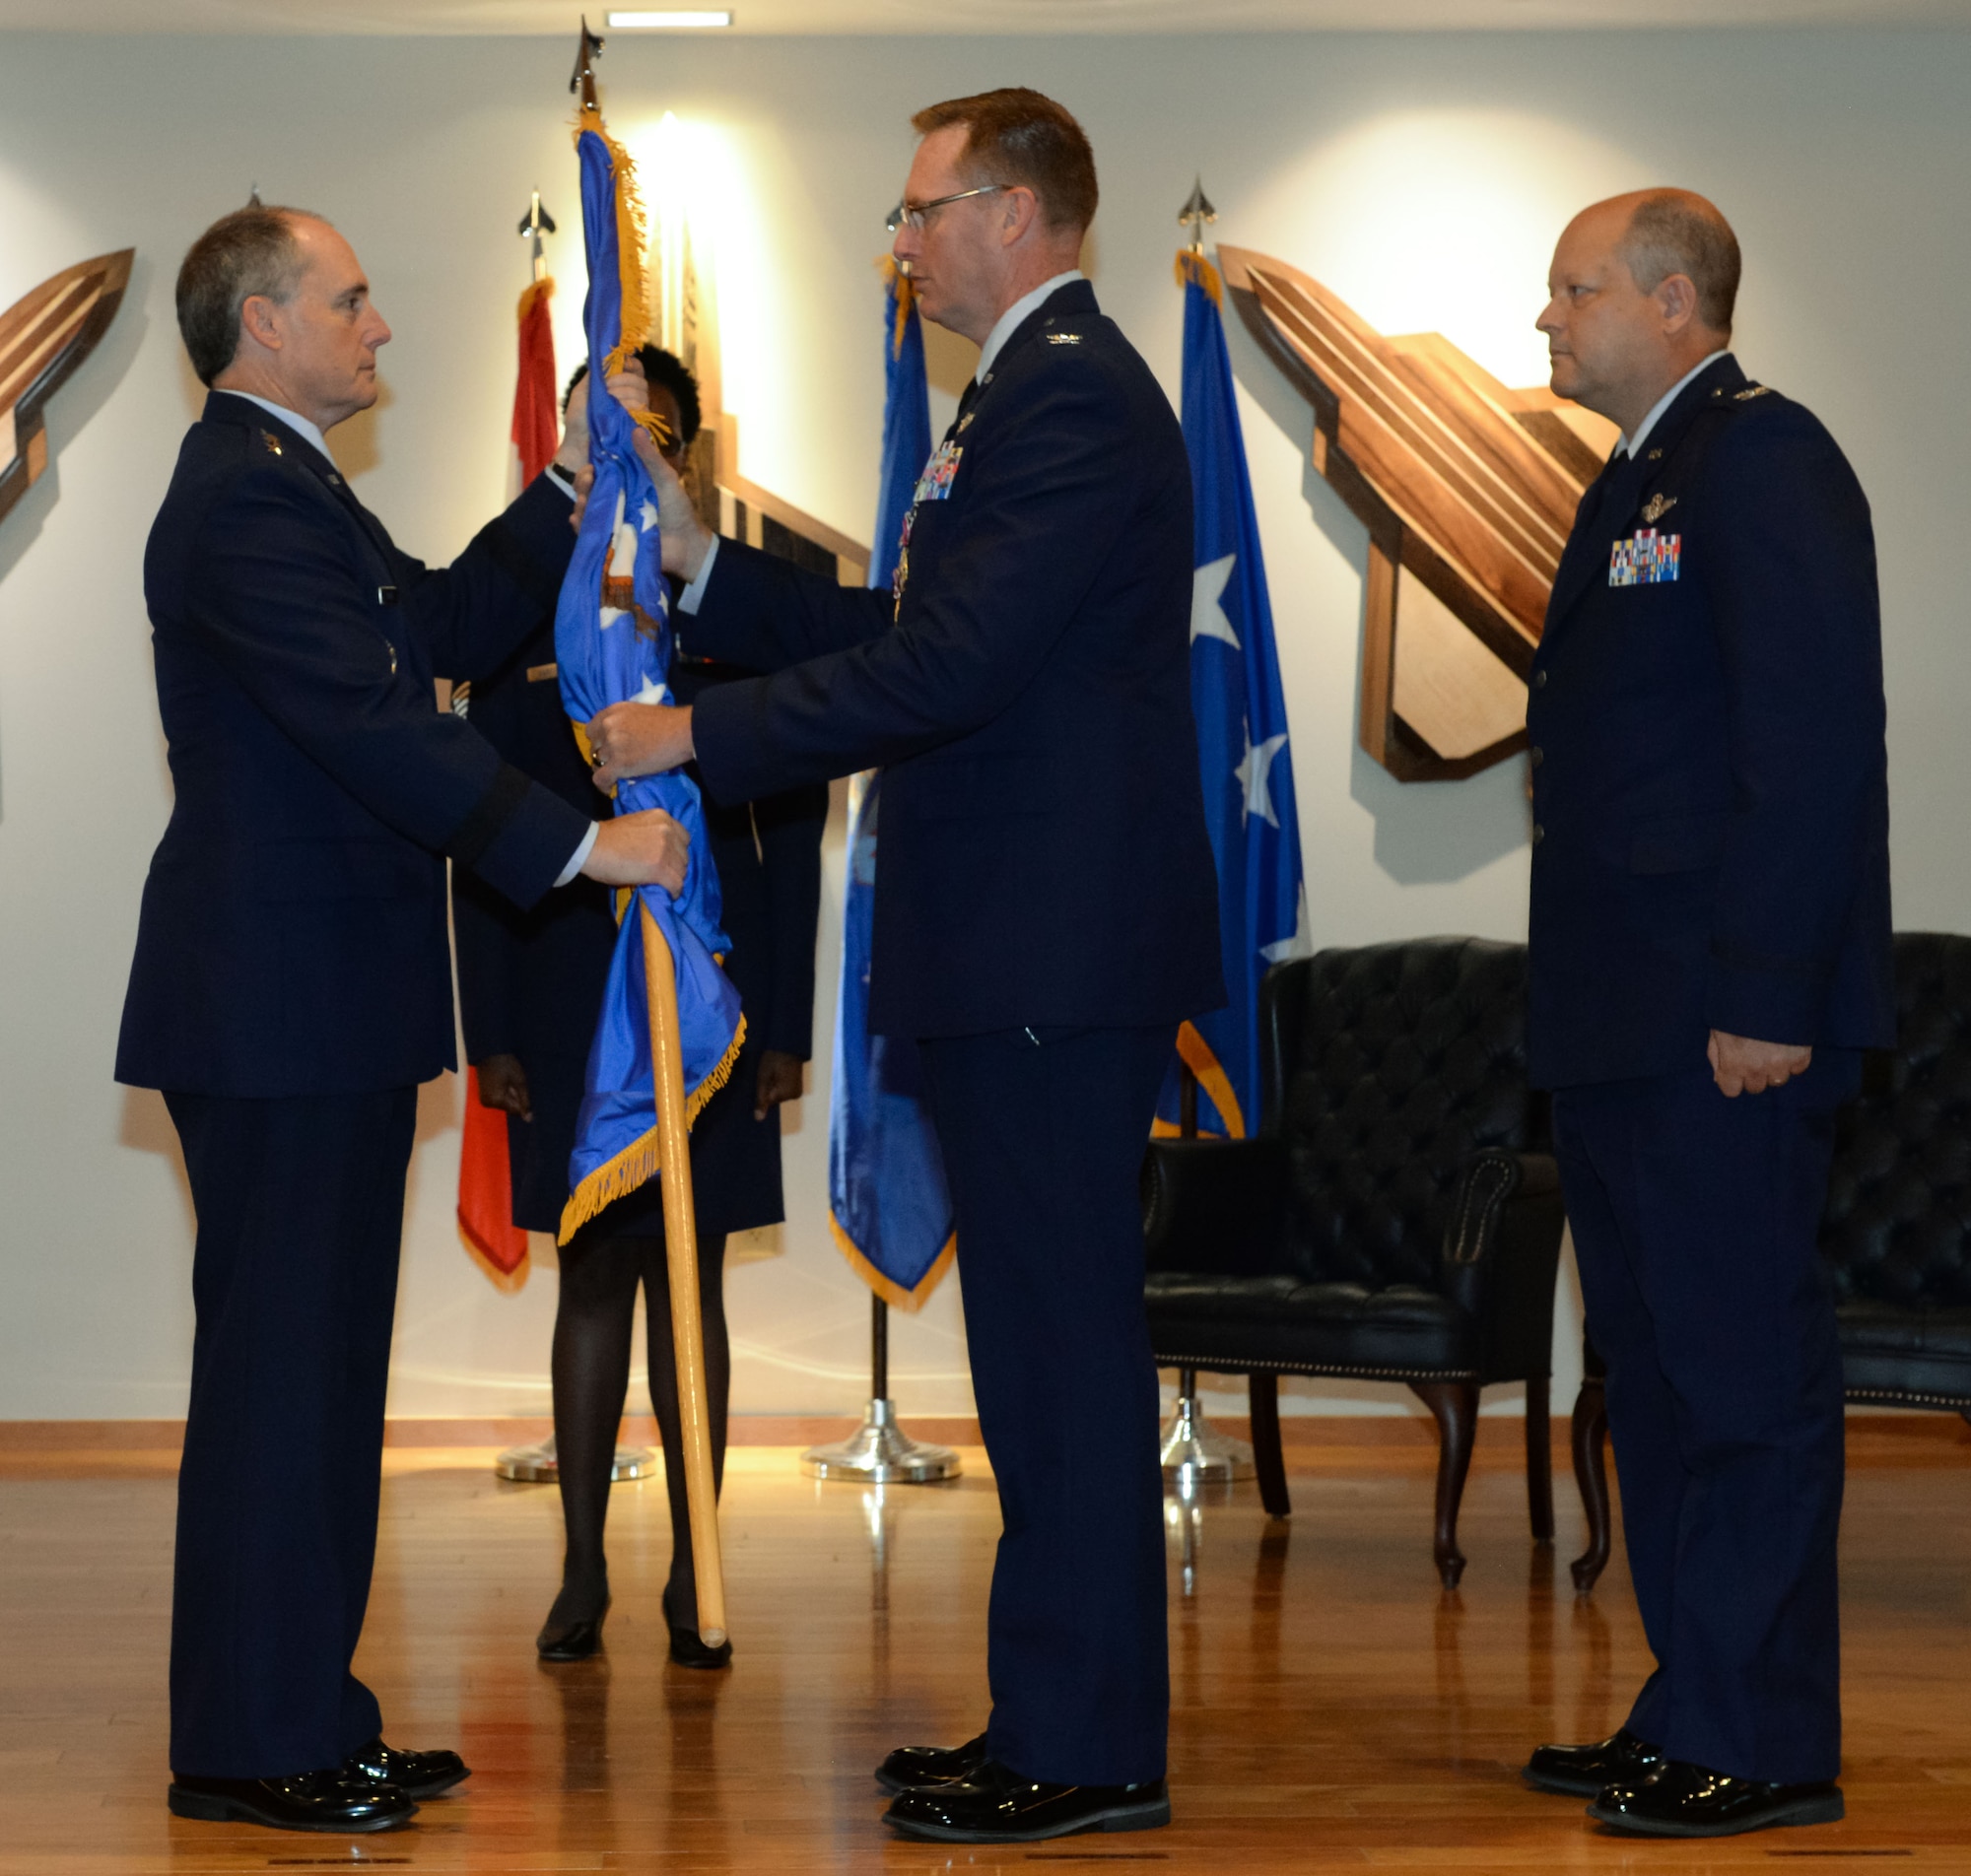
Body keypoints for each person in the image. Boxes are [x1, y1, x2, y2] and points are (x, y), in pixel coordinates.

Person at [583, 88, 1223, 1845]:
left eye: (924, 208)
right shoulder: (1020, 395)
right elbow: (907, 632)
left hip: (1051, 947)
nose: (906, 238)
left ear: (1017, 214)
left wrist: (692, 737)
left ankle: (1087, 1751)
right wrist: (708, 563)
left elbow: (944, 678)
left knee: (1060, 1353)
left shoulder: (1073, 395)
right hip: (1014, 941)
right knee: (1028, 1350)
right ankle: (1052, 1718)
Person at [115, 204, 689, 1837]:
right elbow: (384, 731)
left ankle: (310, 1710)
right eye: (351, 301)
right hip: (275, 1011)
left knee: (315, 1378)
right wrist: (589, 847)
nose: (379, 329)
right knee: (279, 1383)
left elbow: (433, 627)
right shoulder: (239, 501)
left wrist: (574, 486)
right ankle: (247, 1743)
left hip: (326, 1006)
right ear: (263, 322)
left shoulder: (288, 482)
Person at [1519, 190, 1892, 1840]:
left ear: (1675, 301)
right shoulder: (1639, 477)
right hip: (1623, 1024)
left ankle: (1763, 1741)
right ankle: (1690, 1703)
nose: (1548, 318)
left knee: (1739, 1382)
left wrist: (1763, 994)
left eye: (1573, 289)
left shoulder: (1764, 458)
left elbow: (1809, 749)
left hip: (1716, 1027)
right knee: (1657, 1382)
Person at [452, 345, 827, 1670]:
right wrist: (487, 1028)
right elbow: (480, 828)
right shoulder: (524, 608)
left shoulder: (733, 608)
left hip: (710, 998)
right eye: (578, 433)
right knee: (595, 1275)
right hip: (566, 982)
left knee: (695, 1282)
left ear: (674, 447)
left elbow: (792, 831)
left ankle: (695, 1563)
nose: (599, 455)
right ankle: (578, 1569)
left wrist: (785, 1025)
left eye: (626, 434)